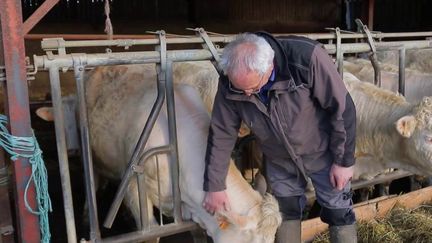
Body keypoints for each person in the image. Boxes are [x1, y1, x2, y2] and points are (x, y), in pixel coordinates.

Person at [202, 32, 357, 243]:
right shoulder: (232, 82)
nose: (246, 95)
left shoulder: (306, 58)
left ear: (268, 67)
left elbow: (342, 109)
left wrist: (343, 161)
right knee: (285, 211)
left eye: (253, 89)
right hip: (279, 157)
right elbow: (222, 132)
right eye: (241, 90)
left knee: (339, 210)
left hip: (322, 151)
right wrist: (215, 185)